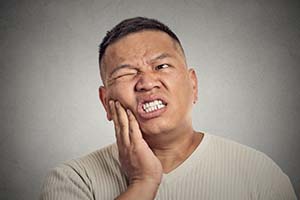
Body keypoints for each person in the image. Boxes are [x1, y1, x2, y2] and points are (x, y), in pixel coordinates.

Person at [40, 17, 297, 200]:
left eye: (161, 66)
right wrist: (144, 183)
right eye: (127, 73)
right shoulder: (73, 179)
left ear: (193, 84)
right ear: (106, 102)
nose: (147, 83)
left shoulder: (259, 174)